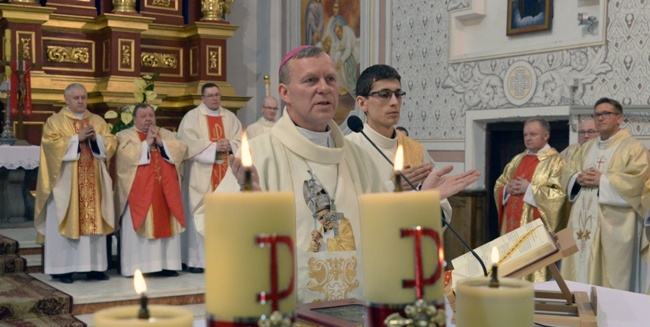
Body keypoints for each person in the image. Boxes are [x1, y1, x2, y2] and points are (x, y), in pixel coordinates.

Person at [195, 46, 479, 304]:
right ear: (284, 93)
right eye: (310, 80)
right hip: (284, 313)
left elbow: (383, 233)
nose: (324, 88)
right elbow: (209, 225)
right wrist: (250, 207)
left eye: (331, 79)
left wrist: (420, 203)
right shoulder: (257, 155)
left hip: (354, 311)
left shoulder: (357, 159)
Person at [562, 98, 650, 292]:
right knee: (577, 272)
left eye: (606, 114)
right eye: (597, 115)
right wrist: (577, 178)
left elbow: (638, 182)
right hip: (581, 225)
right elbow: (568, 172)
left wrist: (602, 181)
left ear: (619, 118)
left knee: (609, 282)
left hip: (613, 227)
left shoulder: (633, 148)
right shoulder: (586, 148)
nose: (600, 118)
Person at [346, 64, 452, 222]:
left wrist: (427, 198)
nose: (394, 102)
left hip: (409, 241)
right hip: (371, 243)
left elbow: (443, 214)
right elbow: (345, 209)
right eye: (384, 94)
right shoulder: (348, 149)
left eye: (398, 94)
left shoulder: (415, 150)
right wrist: (393, 188)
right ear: (362, 103)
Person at [34, 83, 116, 284]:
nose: (81, 101)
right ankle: (63, 269)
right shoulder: (55, 121)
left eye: (83, 97)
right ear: (66, 99)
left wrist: (97, 140)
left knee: (94, 218)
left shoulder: (97, 121)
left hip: (93, 182)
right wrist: (75, 139)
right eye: (76, 98)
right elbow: (50, 146)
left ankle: (94, 268)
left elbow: (111, 142)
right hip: (65, 183)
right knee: (65, 219)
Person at [115, 104, 187, 277]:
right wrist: (146, 144)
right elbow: (123, 157)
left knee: (165, 222)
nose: (148, 119)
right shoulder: (125, 135)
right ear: (134, 119)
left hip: (165, 191)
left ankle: (167, 265)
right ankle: (138, 267)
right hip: (140, 193)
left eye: (151, 115)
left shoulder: (166, 134)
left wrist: (161, 143)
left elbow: (181, 148)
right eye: (143, 116)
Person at [177, 83, 242, 274]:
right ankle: (199, 261)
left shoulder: (229, 117)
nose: (215, 98)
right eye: (210, 95)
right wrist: (214, 147)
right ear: (203, 98)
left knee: (227, 218)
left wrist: (230, 144)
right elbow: (186, 143)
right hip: (202, 176)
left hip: (226, 174)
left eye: (217, 95)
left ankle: (227, 259)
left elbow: (240, 140)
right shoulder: (192, 118)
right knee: (200, 215)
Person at [494, 117, 567, 282]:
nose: (528, 138)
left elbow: (559, 196)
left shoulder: (556, 162)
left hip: (535, 233)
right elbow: (500, 184)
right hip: (511, 232)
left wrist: (530, 189)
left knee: (533, 278)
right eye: (525, 134)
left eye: (533, 134)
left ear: (546, 136)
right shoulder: (517, 160)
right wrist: (506, 190)